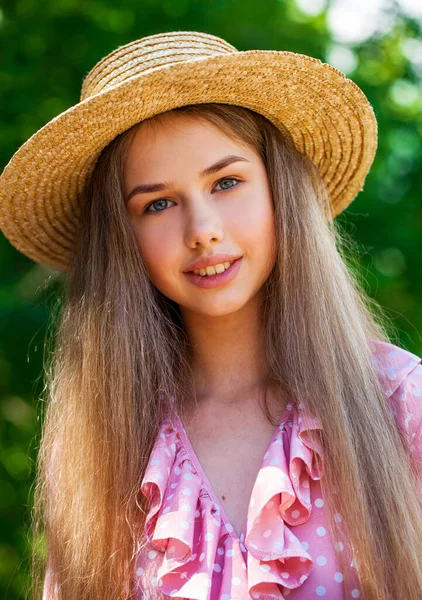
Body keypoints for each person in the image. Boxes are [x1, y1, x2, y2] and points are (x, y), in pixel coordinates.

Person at [0, 31, 421, 600]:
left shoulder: (401, 406)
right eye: (158, 203)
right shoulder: (104, 452)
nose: (203, 231)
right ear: (123, 240)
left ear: (279, 192)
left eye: (226, 182)